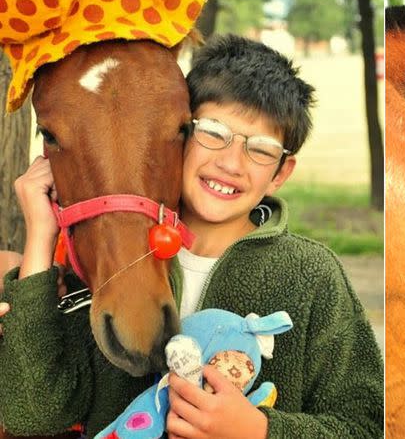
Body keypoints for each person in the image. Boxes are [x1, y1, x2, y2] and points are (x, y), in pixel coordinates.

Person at [0, 35, 384, 438]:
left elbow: (364, 424)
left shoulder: (312, 277)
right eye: (214, 133)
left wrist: (259, 431)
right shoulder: (111, 258)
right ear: (179, 136)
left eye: (261, 149)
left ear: (281, 174)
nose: (231, 163)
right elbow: (33, 413)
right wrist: (41, 237)